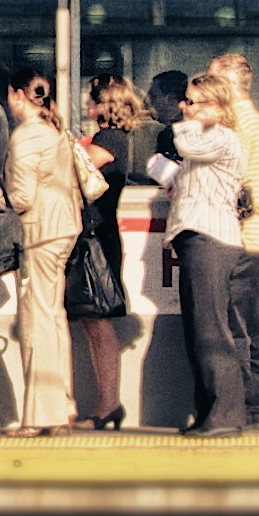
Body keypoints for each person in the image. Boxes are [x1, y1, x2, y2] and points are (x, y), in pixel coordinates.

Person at [148, 73, 249, 438]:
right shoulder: (207, 140)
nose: (183, 107)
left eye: (191, 101)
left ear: (216, 107)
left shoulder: (222, 137)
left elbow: (188, 145)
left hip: (211, 239)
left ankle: (226, 416)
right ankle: (209, 412)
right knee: (199, 330)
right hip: (197, 237)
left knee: (211, 331)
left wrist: (189, 122)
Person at [72, 76, 161, 430]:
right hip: (94, 236)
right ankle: (105, 404)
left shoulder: (110, 139)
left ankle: (108, 404)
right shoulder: (109, 137)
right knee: (91, 321)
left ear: (104, 104)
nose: (86, 105)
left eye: (91, 100)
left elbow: (79, 166)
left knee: (99, 320)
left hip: (98, 238)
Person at [1, 69, 81, 437]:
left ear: (17, 95)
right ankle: (62, 404)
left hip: (40, 232)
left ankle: (41, 415)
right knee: (53, 318)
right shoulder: (52, 129)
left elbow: (22, 197)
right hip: (61, 227)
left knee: (37, 323)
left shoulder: (26, 135)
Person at [207, 53, 259, 429]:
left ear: (228, 84)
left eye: (212, 80)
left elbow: (234, 182)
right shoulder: (253, 122)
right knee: (248, 327)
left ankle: (249, 410)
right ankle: (250, 409)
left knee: (243, 330)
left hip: (246, 238)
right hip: (257, 236)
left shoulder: (241, 124)